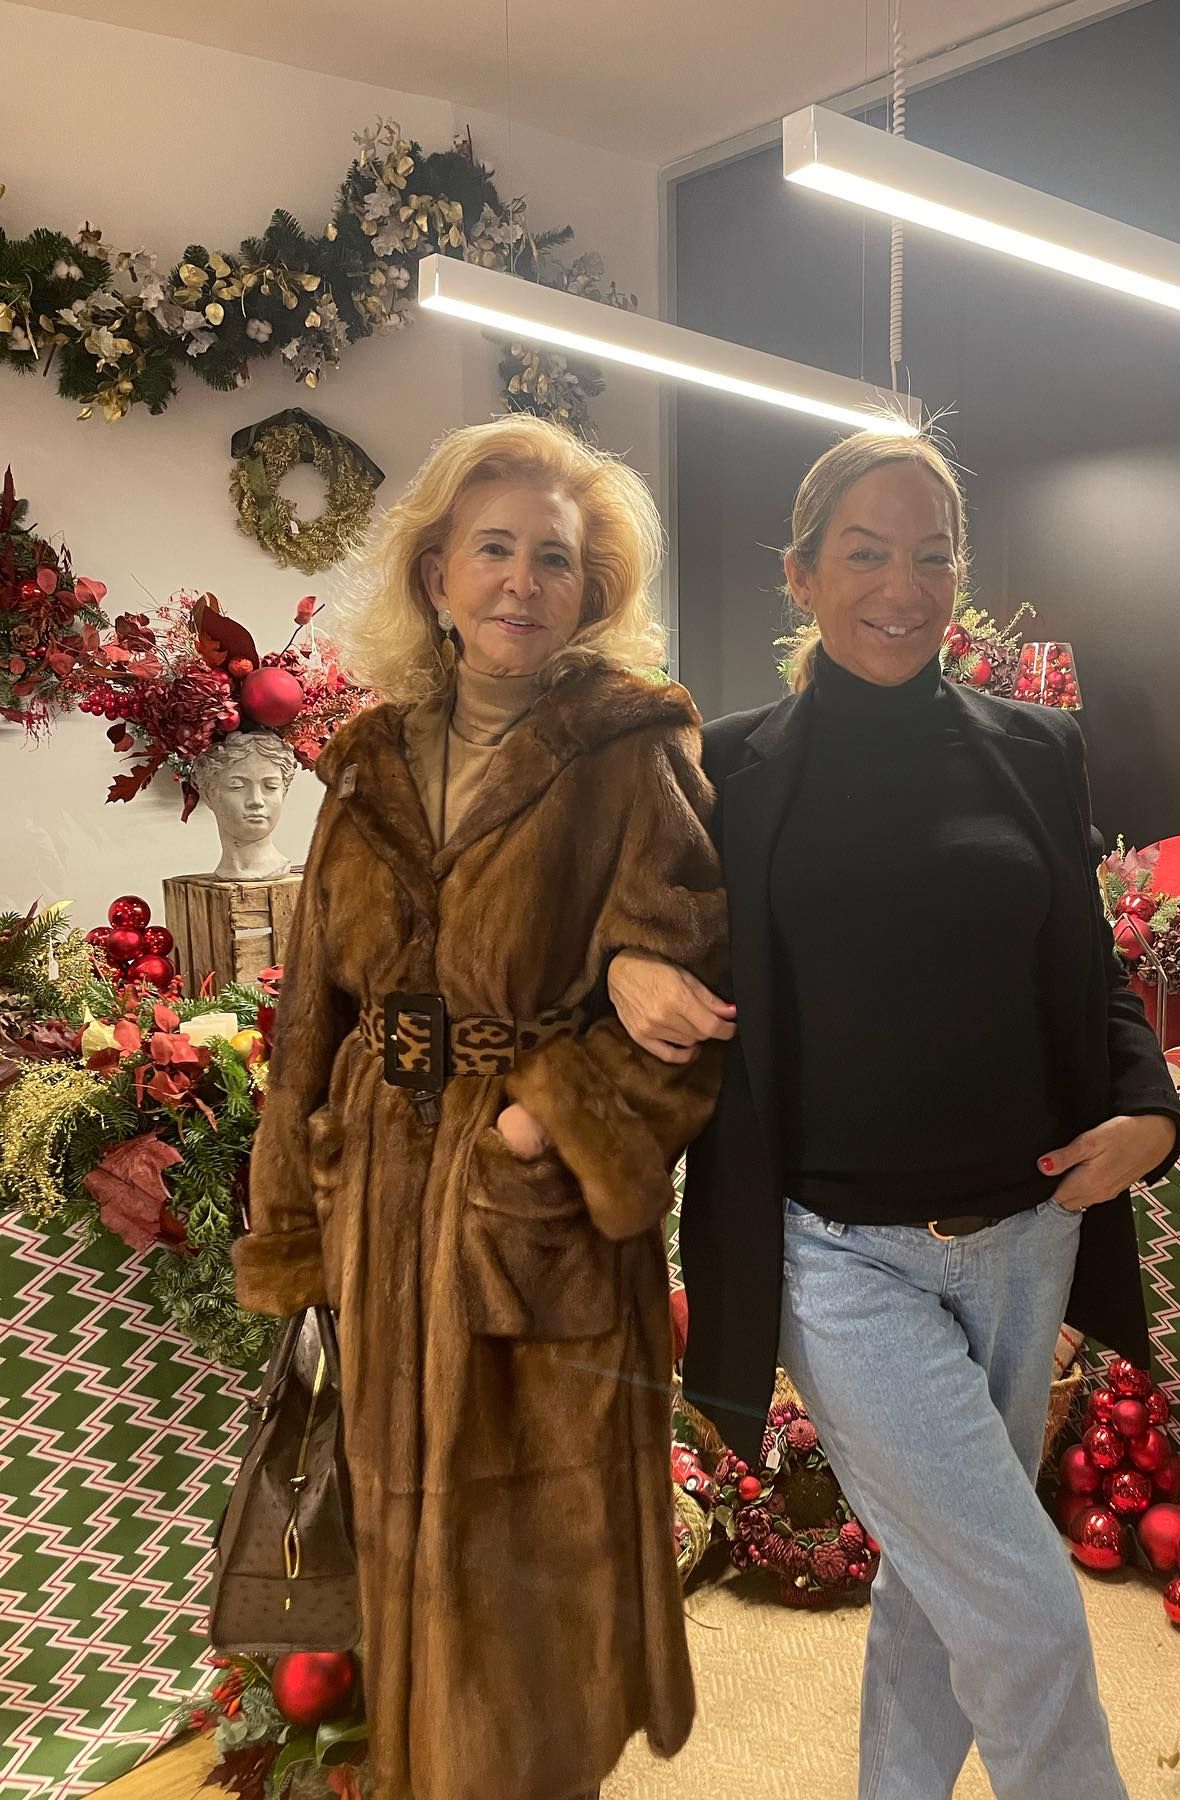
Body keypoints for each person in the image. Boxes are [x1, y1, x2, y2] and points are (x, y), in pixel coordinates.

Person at [607, 427, 1180, 1800]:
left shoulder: (1038, 752)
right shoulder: (726, 768)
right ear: (800, 575)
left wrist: (1149, 1111)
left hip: (1029, 1229)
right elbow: (627, 932)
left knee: (940, 1585)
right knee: (1026, 1603)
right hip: (835, 1252)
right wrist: (624, 963)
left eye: (933, 554)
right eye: (864, 553)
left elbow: (1089, 973)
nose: (903, 585)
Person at [231, 416, 727, 1800]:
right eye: (492, 549)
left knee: (534, 1604)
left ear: (592, 590)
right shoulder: (368, 759)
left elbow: (687, 1023)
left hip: (534, 1223)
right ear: (437, 571)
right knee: (403, 1577)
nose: (521, 582)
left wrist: (533, 1130)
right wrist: (294, 1215)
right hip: (377, 1205)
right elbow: (308, 1014)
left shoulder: (633, 752)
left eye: (554, 560)